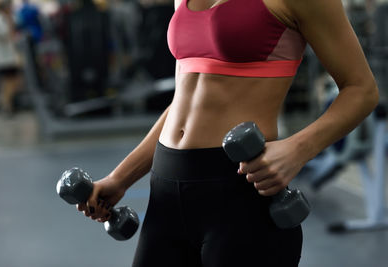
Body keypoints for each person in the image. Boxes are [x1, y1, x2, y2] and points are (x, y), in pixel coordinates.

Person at [77, 0, 379, 266]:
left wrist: (298, 149)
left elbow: (361, 90)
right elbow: (183, 102)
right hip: (166, 191)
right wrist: (121, 178)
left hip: (240, 191)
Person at [0, 0, 22, 115]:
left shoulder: (6, 18)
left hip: (9, 56)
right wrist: (9, 22)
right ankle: (6, 105)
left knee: (13, 80)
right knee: (7, 81)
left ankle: (9, 104)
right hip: (4, 57)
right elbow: (5, 34)